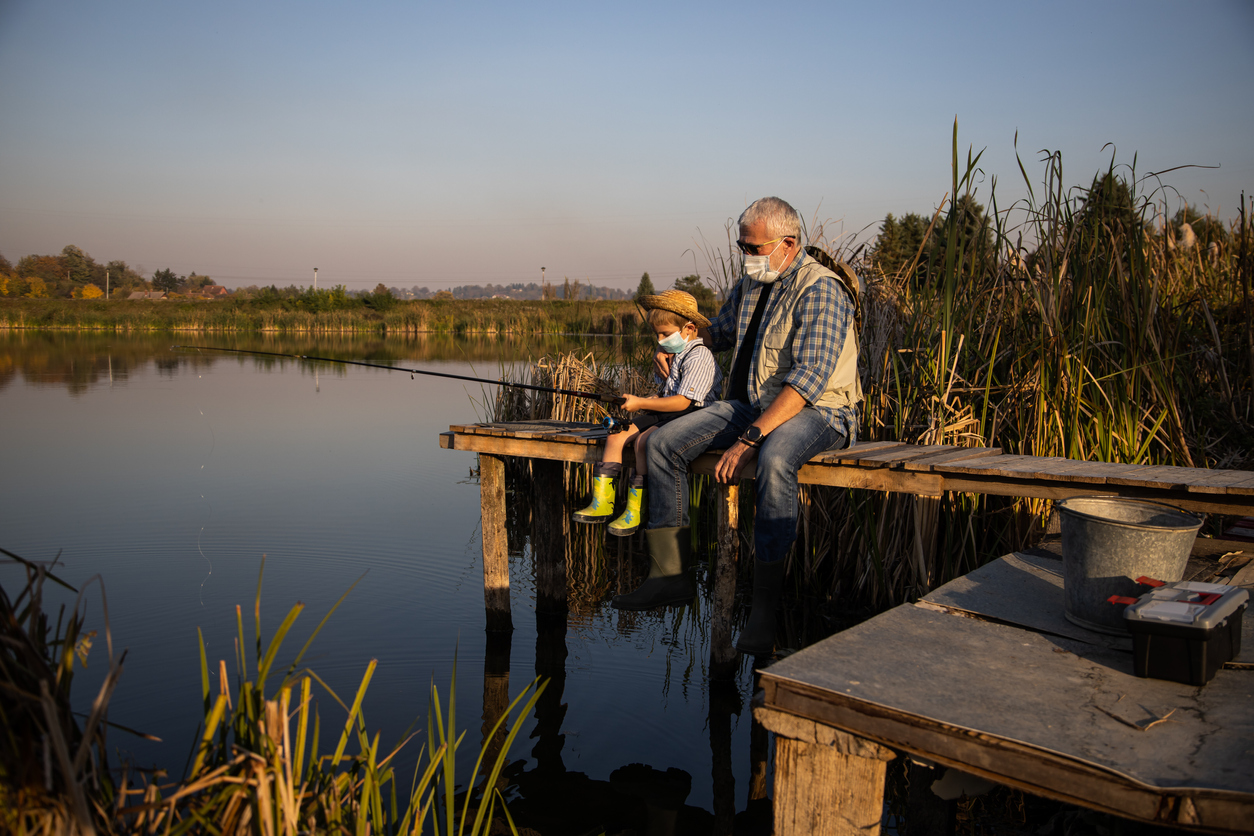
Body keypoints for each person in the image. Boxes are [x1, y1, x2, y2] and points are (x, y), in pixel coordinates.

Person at [611, 196, 861, 659]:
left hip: (820, 410)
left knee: (777, 456)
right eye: (742, 246)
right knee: (663, 443)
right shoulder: (753, 282)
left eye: (754, 247)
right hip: (750, 403)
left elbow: (807, 382)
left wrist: (752, 437)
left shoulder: (822, 290)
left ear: (788, 244)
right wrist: (679, 344)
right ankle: (670, 577)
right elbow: (719, 333)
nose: (745, 255)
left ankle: (764, 611)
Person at [573, 290, 721, 536]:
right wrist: (652, 398)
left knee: (643, 441)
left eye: (665, 333)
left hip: (693, 414)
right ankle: (601, 503)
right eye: (657, 334)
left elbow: (684, 402)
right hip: (669, 410)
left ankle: (635, 510)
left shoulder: (699, 355)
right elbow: (669, 393)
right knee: (617, 434)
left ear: (689, 329)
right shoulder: (673, 355)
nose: (660, 340)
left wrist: (642, 401)